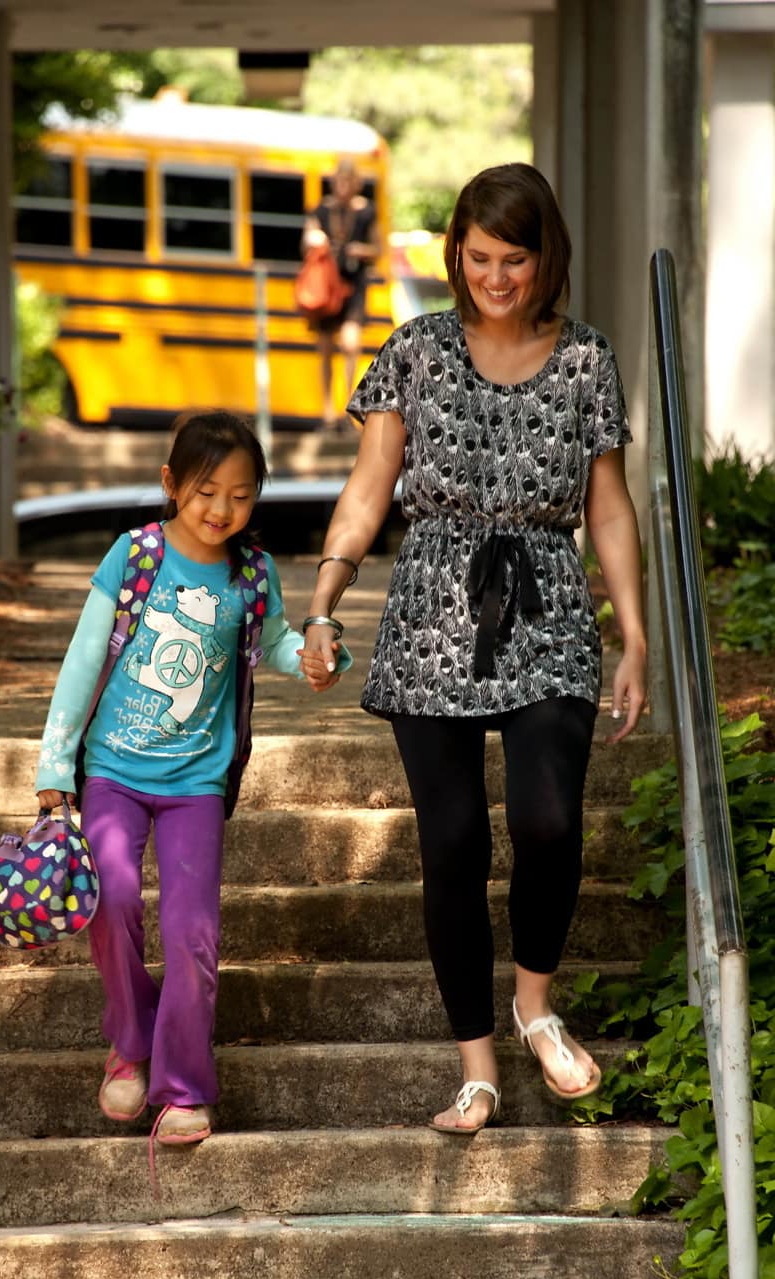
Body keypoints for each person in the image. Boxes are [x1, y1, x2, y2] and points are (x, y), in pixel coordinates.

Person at [300, 163, 647, 1135]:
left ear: (547, 260)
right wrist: (326, 598)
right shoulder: (412, 349)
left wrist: (636, 636)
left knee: (547, 821)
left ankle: (534, 1004)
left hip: (546, 604)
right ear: (456, 255)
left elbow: (608, 507)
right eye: (479, 257)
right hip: (429, 611)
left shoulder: (585, 360)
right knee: (452, 842)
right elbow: (371, 486)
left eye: (516, 259)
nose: (497, 276)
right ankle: (476, 1068)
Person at [35, 410, 348, 1152]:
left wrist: (312, 656)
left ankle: (181, 1087)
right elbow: (84, 661)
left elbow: (271, 643)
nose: (222, 510)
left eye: (241, 496)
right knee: (109, 900)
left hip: (196, 784)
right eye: (208, 491)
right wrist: (55, 765)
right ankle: (130, 1041)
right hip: (112, 769)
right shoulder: (134, 554)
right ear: (173, 484)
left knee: (192, 931)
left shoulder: (251, 571)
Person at [302, 157, 379, 430]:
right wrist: (315, 240)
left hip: (353, 286)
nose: (343, 186)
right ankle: (327, 414)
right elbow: (307, 240)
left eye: (348, 180)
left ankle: (347, 409)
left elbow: (377, 249)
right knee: (325, 349)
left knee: (350, 345)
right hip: (326, 288)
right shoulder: (321, 211)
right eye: (338, 180)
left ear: (356, 183)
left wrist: (360, 251)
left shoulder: (367, 212)